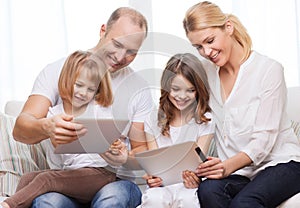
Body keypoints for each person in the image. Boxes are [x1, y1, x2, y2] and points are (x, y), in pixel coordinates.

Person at [12, 7, 153, 208]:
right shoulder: (58, 71)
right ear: (103, 30)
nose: (121, 56)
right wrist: (47, 127)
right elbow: (20, 130)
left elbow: (142, 152)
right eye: (117, 44)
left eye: (132, 52)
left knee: (112, 199)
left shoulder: (138, 87)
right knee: (47, 202)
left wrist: (124, 158)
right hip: (66, 183)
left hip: (114, 181)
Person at [182, 1, 300, 208]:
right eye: (198, 47)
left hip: (280, 164)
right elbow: (191, 118)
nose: (207, 51)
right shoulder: (206, 73)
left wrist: (226, 167)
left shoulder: (268, 70)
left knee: (245, 202)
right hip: (239, 172)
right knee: (208, 190)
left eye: (210, 41)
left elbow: (264, 140)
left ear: (228, 27)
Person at [0, 50, 124, 208]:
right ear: (67, 80)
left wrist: (114, 147)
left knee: (47, 179)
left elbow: (113, 140)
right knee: (28, 178)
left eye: (90, 89)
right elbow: (58, 157)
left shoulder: (99, 110)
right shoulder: (54, 114)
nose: (83, 93)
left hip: (100, 174)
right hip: (71, 175)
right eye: (79, 85)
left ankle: (7, 205)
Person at [140, 53, 215, 208]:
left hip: (188, 186)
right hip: (161, 186)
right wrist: (153, 178)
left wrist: (195, 178)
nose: (182, 96)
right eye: (175, 89)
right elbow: (154, 165)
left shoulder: (206, 120)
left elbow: (199, 160)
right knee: (155, 199)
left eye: (190, 90)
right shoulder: (152, 119)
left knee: (188, 200)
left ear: (199, 90)